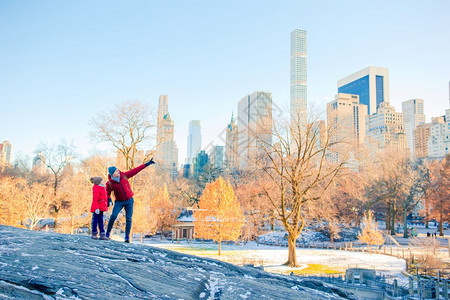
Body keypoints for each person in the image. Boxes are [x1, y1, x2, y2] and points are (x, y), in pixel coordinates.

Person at [105, 159, 155, 242]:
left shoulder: (124, 175)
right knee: (113, 216)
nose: (118, 172)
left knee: (129, 218)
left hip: (129, 201)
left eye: (118, 170)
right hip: (119, 202)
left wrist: (147, 164)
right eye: (116, 171)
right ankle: (107, 234)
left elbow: (135, 170)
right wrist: (109, 199)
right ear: (112, 174)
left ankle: (127, 236)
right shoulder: (109, 183)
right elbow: (107, 193)